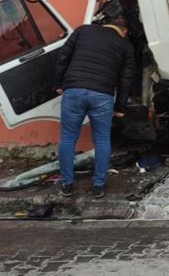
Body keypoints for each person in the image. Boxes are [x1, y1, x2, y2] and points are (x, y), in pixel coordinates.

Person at [53, 16, 135, 198]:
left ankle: (66, 183)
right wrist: (120, 106)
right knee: (102, 140)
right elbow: (126, 79)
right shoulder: (125, 46)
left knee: (67, 138)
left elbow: (63, 57)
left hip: (74, 90)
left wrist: (58, 84)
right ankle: (99, 185)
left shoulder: (83, 30)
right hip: (102, 95)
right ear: (124, 31)